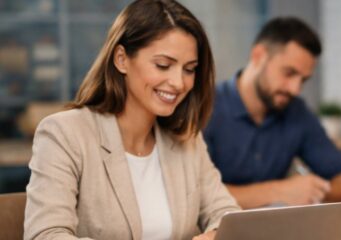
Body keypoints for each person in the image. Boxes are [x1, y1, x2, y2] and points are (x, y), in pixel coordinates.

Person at [24, 0, 240, 239]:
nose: (179, 83)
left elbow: (226, 214)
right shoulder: (65, 134)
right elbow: (45, 234)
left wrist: (214, 235)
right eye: (163, 65)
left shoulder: (186, 139)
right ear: (121, 59)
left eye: (189, 69)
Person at [203, 17, 341, 209]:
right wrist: (279, 191)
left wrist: (314, 192)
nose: (295, 89)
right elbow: (197, 197)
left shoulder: (296, 111)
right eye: (289, 73)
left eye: (303, 80)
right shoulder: (204, 107)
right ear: (258, 55)